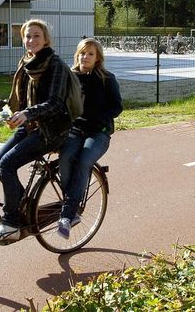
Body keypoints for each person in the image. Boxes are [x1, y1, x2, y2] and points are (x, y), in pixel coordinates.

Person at [0, 19, 72, 242]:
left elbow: (56, 103)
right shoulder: (26, 62)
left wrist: (28, 114)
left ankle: (11, 223)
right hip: (30, 126)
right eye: (27, 36)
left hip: (51, 130)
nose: (31, 40)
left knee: (8, 164)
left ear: (46, 39)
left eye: (36, 36)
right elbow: (16, 100)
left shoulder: (54, 64)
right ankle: (20, 206)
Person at [56, 38, 123, 239]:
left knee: (84, 159)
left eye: (91, 54)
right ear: (77, 54)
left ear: (98, 58)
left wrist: (99, 119)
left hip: (99, 132)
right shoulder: (71, 77)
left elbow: (117, 107)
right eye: (83, 53)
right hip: (76, 129)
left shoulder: (107, 78)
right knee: (66, 157)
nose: (86, 57)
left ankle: (68, 214)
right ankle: (72, 204)